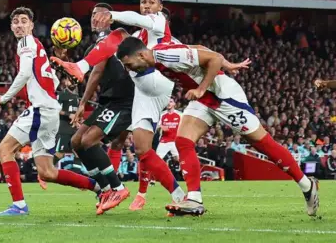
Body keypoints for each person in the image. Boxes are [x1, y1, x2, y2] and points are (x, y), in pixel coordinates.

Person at [116, 37, 319, 217]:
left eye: (128, 64)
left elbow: (213, 58)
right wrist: (224, 65)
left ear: (141, 55)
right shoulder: (160, 54)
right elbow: (198, 48)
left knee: (262, 143)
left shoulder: (165, 55)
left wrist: (203, 85)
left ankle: (307, 185)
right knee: (183, 141)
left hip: (223, 97)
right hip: (204, 100)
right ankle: (194, 199)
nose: (129, 69)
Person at [54, 0, 185, 212]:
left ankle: (118, 188)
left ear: (160, 7)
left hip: (146, 87)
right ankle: (168, 195)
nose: (146, 6)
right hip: (134, 92)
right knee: (84, 142)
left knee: (119, 35)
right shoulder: (138, 36)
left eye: (151, 2)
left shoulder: (159, 22)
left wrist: (113, 16)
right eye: (143, 2)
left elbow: (130, 24)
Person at [0, 7, 98, 217]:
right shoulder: (38, 46)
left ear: (31, 24)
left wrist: (4, 98)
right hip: (49, 112)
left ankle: (19, 206)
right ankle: (98, 188)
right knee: (47, 172)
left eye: (24, 21)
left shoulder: (26, 43)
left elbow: (24, 73)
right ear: (11, 26)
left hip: (41, 110)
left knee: (4, 150)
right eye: (16, 22)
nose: (19, 25)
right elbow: (53, 80)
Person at [68, 3, 138, 214]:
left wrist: (83, 104)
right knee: (76, 142)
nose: (94, 18)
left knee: (89, 141)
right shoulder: (94, 47)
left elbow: (97, 73)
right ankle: (105, 189)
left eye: (99, 14)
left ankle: (118, 187)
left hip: (125, 101)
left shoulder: (118, 36)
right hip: (108, 101)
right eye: (92, 14)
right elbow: (93, 75)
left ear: (110, 17)